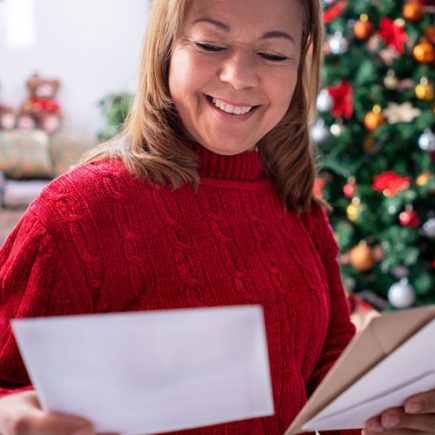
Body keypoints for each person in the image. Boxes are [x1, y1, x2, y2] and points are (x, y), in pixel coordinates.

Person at [0, 0, 434, 434]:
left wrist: (386, 418)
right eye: (210, 44)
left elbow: (327, 371)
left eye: (272, 54)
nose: (239, 77)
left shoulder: (299, 211)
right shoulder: (73, 215)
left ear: (300, 64)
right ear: (166, 48)